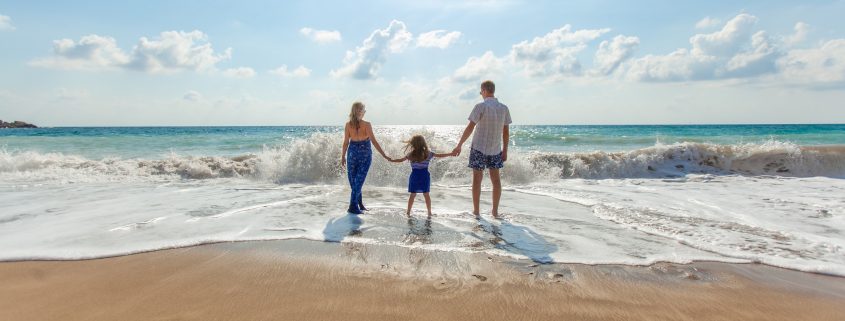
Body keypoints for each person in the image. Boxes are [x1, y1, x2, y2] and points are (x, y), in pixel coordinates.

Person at [452, 80, 512, 218]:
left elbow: (470, 127)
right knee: (496, 181)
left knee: (477, 180)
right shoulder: (504, 108)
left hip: (478, 148)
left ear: (484, 90)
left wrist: (459, 144)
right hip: (495, 149)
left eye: (481, 92)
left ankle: (477, 211)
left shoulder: (480, 106)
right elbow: (506, 132)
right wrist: (506, 150)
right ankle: (495, 212)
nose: (481, 94)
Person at [341, 102, 389, 214]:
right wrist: (343, 156)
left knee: (357, 181)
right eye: (364, 109)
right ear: (359, 111)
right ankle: (354, 206)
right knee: (356, 182)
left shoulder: (353, 125)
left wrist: (343, 156)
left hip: (356, 154)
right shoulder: (361, 125)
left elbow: (346, 143)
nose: (365, 111)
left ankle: (357, 204)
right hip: (359, 154)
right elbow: (373, 141)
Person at [389, 135, 455, 216]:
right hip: (424, 176)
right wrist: (451, 153)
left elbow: (400, 160)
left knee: (412, 195)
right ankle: (429, 212)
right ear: (424, 143)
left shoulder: (410, 154)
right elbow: (440, 155)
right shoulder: (428, 153)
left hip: (414, 176)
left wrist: (391, 160)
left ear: (413, 144)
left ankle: (408, 212)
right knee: (426, 194)